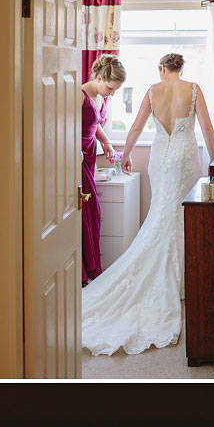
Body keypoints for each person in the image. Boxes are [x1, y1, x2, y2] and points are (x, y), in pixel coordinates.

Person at [79, 54, 214, 356]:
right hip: (183, 159)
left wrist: (125, 156)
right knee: (181, 216)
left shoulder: (152, 90)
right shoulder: (193, 89)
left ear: (162, 69)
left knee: (161, 216)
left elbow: (135, 129)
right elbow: (206, 128)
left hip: (160, 158)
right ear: (181, 69)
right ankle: (183, 279)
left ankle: (174, 276)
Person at [82, 56, 127, 284]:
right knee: (85, 214)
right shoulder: (78, 95)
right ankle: (83, 271)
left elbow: (96, 123)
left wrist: (107, 142)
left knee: (93, 214)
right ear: (99, 78)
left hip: (90, 156)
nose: (112, 93)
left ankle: (90, 269)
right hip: (77, 158)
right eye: (110, 88)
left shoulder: (99, 97)